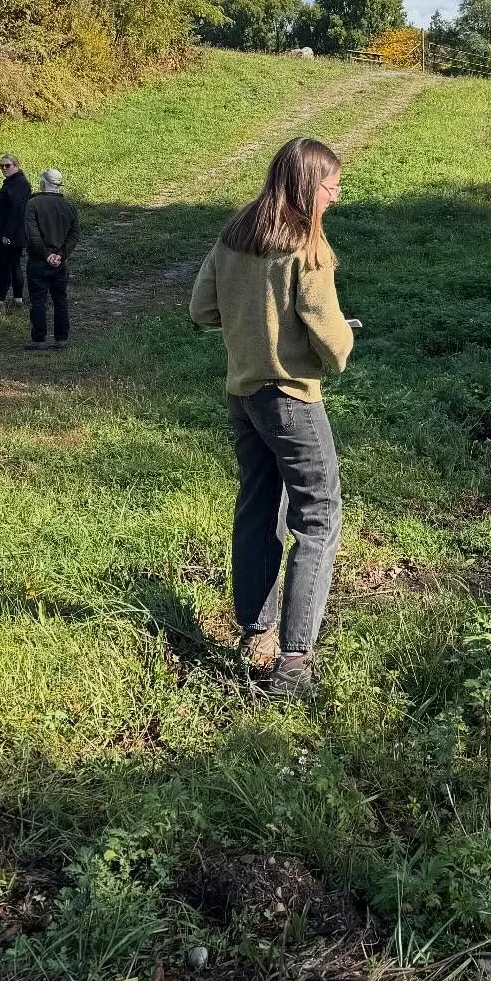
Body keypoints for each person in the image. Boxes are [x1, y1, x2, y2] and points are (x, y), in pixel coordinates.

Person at [188, 137, 354, 702]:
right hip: (292, 399)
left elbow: (201, 309)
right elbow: (329, 337)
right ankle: (294, 661)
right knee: (318, 515)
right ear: (310, 185)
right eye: (331, 185)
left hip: (244, 395)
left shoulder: (236, 234)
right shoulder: (308, 247)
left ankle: (255, 633)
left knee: (258, 508)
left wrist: (252, 324)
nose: (335, 195)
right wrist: (342, 339)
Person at [23, 167, 79, 351]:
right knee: (60, 299)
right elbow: (74, 235)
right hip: (60, 262)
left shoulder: (33, 204)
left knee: (38, 300)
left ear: (43, 183)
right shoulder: (69, 206)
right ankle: (61, 338)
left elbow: (33, 235)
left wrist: (46, 255)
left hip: (39, 260)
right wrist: (61, 255)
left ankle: (39, 339)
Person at [0, 153, 31, 308]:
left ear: (16, 166)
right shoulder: (12, 182)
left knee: (4, 265)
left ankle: (0, 299)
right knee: (13, 264)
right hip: (11, 232)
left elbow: (16, 211)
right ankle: (17, 298)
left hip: (11, 234)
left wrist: (7, 234)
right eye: (2, 166)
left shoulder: (19, 184)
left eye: (7, 165)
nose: (4, 168)